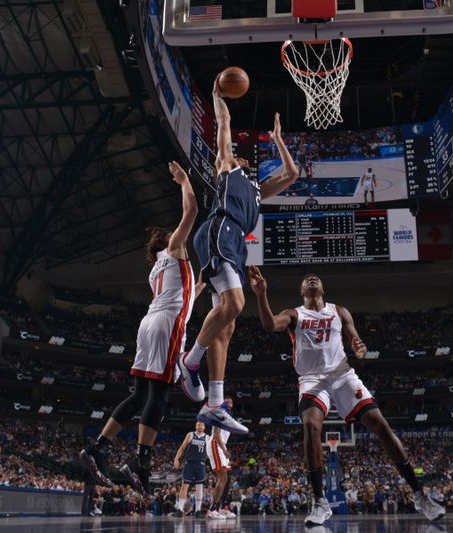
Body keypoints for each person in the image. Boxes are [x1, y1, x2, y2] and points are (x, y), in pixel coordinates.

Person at [248, 267, 446, 525]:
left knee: (381, 426)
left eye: (316, 278)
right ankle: (320, 502)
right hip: (312, 379)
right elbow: (269, 325)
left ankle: (420, 496)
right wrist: (261, 295)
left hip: (343, 375)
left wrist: (359, 346)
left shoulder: (339, 311)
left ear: (322, 289)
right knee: (310, 425)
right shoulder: (294, 314)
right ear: (302, 291)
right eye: (307, 279)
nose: (312, 278)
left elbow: (357, 341)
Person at [177, 79, 300, 434]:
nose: (243, 156)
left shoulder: (258, 189)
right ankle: (190, 361)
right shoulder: (227, 167)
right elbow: (225, 127)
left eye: (247, 156)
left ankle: (214, 404)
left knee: (227, 326)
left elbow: (291, 174)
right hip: (220, 230)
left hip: (235, 245)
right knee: (234, 304)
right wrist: (216, 96)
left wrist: (278, 142)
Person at [80, 162, 204, 491]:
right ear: (167, 242)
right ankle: (140, 462)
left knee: (138, 395)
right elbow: (191, 209)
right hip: (165, 325)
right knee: (159, 395)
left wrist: (200, 288)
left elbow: (184, 295)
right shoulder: (174, 248)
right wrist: (184, 181)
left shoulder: (157, 271)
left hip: (148, 323)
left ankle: (98, 448)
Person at [206, 396, 237, 519]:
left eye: (231, 401)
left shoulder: (228, 417)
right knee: (222, 477)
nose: (229, 403)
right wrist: (224, 450)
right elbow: (217, 435)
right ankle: (212, 509)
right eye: (227, 401)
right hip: (216, 444)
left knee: (227, 480)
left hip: (221, 445)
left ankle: (223, 507)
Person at [170, 422, 209, 518]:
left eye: (202, 425)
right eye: (198, 425)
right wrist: (176, 458)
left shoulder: (207, 437)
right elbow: (182, 447)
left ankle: (198, 510)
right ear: (195, 426)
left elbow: (210, 451)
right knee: (184, 487)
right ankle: (180, 509)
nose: (200, 426)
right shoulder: (190, 434)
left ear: (204, 427)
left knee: (199, 488)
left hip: (200, 464)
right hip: (189, 463)